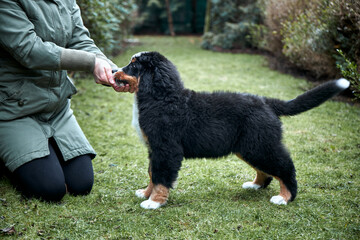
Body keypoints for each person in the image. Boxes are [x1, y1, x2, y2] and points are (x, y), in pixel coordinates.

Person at [0, 0, 133, 201]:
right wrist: (90, 63)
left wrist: (113, 71)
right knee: (51, 190)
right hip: (13, 108)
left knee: (81, 184)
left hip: (56, 107)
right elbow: (29, 50)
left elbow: (80, 40)